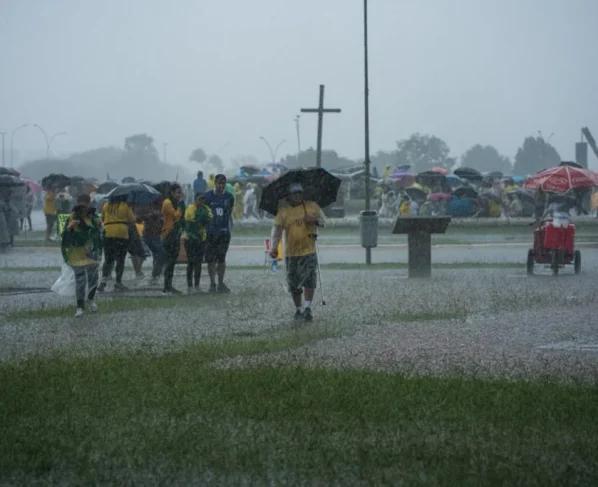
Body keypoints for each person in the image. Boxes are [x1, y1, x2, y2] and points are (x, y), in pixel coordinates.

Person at [270, 182, 325, 322]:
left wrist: (314, 220)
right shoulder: (283, 212)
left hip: (309, 250)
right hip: (291, 253)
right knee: (294, 283)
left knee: (309, 279)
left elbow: (324, 222)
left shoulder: (311, 206)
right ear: (289, 195)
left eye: (300, 193)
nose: (297, 196)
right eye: (295, 193)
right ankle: (298, 309)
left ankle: (308, 308)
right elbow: (277, 232)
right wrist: (274, 248)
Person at [61, 194, 103, 317]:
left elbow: (99, 235)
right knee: (80, 280)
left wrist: (99, 228)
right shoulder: (72, 217)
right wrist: (70, 228)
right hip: (77, 254)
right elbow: (64, 236)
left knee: (93, 278)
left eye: (85, 206)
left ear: (89, 205)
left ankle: (91, 299)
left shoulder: (94, 218)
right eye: (80, 207)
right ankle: (79, 307)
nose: (83, 209)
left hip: (91, 253)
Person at [204, 174, 234, 293]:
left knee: (221, 258)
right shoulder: (207, 196)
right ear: (215, 183)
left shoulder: (229, 197)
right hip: (211, 232)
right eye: (219, 183)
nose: (221, 186)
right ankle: (212, 283)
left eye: (223, 184)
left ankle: (221, 283)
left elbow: (229, 211)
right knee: (211, 259)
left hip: (224, 232)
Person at [98, 195, 135, 292]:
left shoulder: (106, 205)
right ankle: (118, 282)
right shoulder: (125, 205)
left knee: (108, 259)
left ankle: (103, 280)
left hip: (108, 232)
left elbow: (102, 218)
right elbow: (132, 219)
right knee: (120, 259)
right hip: (121, 232)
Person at [183, 193, 213, 293]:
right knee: (191, 262)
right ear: (195, 199)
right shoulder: (190, 208)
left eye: (203, 199)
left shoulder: (207, 209)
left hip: (201, 239)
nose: (202, 201)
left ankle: (197, 285)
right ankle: (189, 285)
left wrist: (204, 219)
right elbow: (189, 224)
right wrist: (200, 219)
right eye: (200, 199)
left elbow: (210, 219)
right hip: (189, 239)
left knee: (198, 262)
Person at [161, 183, 185, 295]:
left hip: (175, 234)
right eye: (178, 193)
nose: (179, 195)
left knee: (172, 261)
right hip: (169, 234)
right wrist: (180, 205)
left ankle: (169, 286)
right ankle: (167, 286)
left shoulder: (174, 203)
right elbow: (176, 215)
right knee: (170, 261)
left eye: (180, 193)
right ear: (171, 192)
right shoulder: (167, 203)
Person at [139, 196, 165, 285]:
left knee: (157, 255)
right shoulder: (153, 211)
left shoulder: (157, 211)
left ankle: (155, 277)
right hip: (150, 237)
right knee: (160, 254)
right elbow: (140, 218)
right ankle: (154, 277)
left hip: (154, 236)